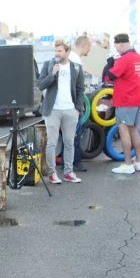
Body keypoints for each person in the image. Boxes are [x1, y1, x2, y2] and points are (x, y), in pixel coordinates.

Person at [38, 39, 85, 184]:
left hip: (70, 109)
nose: (57, 53)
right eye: (55, 50)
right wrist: (52, 75)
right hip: (53, 110)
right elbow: (40, 85)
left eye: (60, 51)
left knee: (69, 142)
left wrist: (78, 108)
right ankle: (52, 173)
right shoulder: (48, 65)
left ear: (67, 52)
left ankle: (68, 172)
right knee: (52, 142)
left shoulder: (76, 67)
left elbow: (80, 89)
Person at [106, 34, 140, 174]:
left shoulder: (125, 59)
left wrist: (110, 63)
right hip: (138, 99)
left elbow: (109, 76)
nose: (116, 50)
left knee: (124, 131)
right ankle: (138, 162)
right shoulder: (139, 58)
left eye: (116, 47)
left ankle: (128, 164)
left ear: (121, 44)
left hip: (125, 100)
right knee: (134, 130)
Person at [65, 35, 92, 172]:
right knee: (75, 134)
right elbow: (77, 85)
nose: (90, 50)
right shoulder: (76, 61)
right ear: (84, 45)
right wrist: (79, 103)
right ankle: (75, 162)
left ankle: (68, 162)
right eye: (90, 47)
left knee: (70, 134)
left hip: (66, 103)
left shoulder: (70, 58)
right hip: (73, 104)